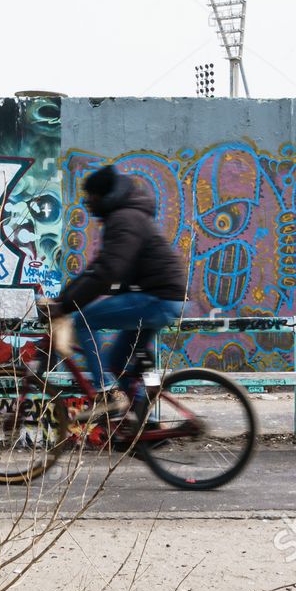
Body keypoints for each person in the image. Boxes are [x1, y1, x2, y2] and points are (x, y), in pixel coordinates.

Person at [40, 165, 187, 419]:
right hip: (162, 297)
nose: (87, 203)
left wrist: (65, 307)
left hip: (156, 298)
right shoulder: (127, 217)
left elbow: (107, 271)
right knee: (118, 365)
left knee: (83, 320)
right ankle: (143, 423)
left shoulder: (124, 219)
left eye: (91, 197)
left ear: (105, 196)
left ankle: (107, 393)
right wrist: (64, 299)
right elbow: (99, 270)